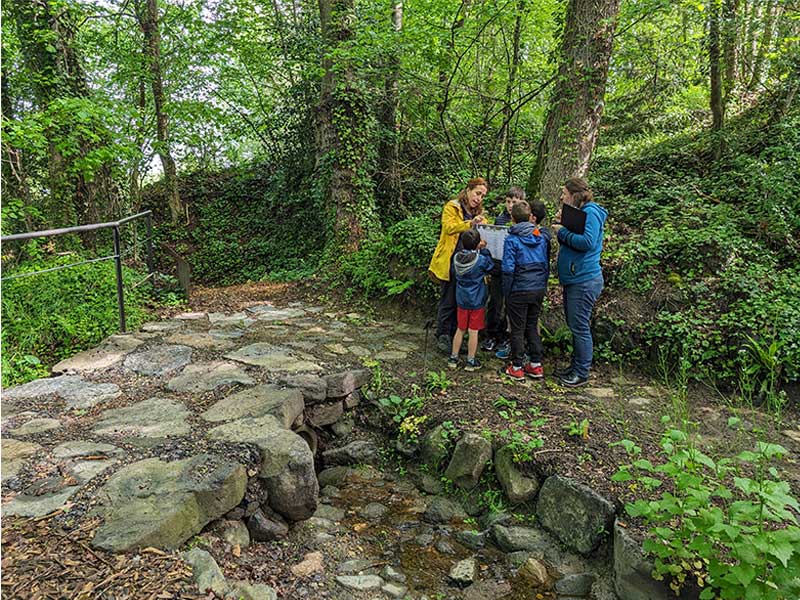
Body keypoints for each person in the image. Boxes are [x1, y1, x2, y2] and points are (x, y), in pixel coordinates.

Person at [551, 177, 607, 387]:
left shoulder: (591, 212)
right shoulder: (580, 212)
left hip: (584, 280)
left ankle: (581, 373)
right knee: (575, 325)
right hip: (575, 278)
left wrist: (562, 232)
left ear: (575, 194)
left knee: (580, 326)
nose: (562, 196)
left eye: (565, 193)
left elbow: (587, 242)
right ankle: (575, 366)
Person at [428, 177, 487, 354]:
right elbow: (449, 227)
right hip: (451, 259)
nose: (479, 198)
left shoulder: (478, 212)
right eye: (477, 193)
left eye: (482, 196)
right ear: (468, 190)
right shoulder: (452, 207)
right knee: (448, 298)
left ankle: (456, 336)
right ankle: (443, 334)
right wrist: (470, 224)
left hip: (469, 262)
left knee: (461, 300)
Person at [500, 200, 551, 381]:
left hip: (519, 289)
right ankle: (536, 365)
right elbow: (545, 265)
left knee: (517, 329)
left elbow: (507, 269)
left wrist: (508, 292)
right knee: (531, 325)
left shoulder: (512, 240)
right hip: (537, 288)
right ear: (530, 218)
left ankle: (517, 366)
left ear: (512, 218)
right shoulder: (541, 237)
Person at [483, 186, 526, 354]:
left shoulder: (524, 221)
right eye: (508, 202)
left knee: (510, 306)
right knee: (495, 303)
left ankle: (505, 338)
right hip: (498, 267)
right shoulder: (500, 219)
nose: (510, 205)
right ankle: (491, 334)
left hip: (514, 270)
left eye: (514, 202)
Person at [448, 229, 495, 371]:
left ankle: (453, 358)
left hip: (461, 299)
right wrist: (485, 251)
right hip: (476, 300)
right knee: (473, 331)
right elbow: (490, 266)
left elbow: (452, 271)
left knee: (460, 328)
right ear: (477, 244)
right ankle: (470, 361)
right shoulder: (480, 260)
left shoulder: (456, 258)